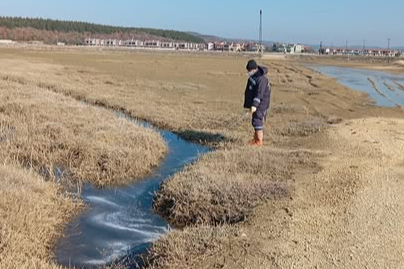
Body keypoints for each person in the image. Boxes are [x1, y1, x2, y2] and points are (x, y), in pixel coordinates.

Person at [243, 59, 271, 146]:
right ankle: (255, 139)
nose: (248, 72)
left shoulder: (262, 79)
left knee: (257, 120)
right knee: (254, 120)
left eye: (249, 70)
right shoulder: (254, 76)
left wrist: (255, 105)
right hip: (255, 103)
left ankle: (259, 141)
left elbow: (259, 94)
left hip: (261, 104)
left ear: (254, 69)